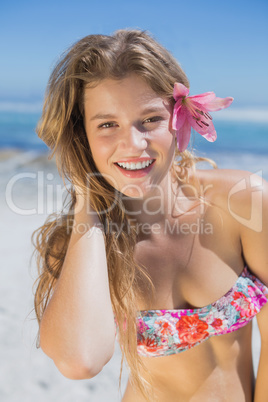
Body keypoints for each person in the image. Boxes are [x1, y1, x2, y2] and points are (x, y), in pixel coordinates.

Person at [31, 29, 268, 402]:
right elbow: (80, 362)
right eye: (107, 125)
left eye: (150, 119)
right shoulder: (84, 244)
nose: (133, 144)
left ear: (180, 117)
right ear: (82, 137)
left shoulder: (241, 202)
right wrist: (86, 199)